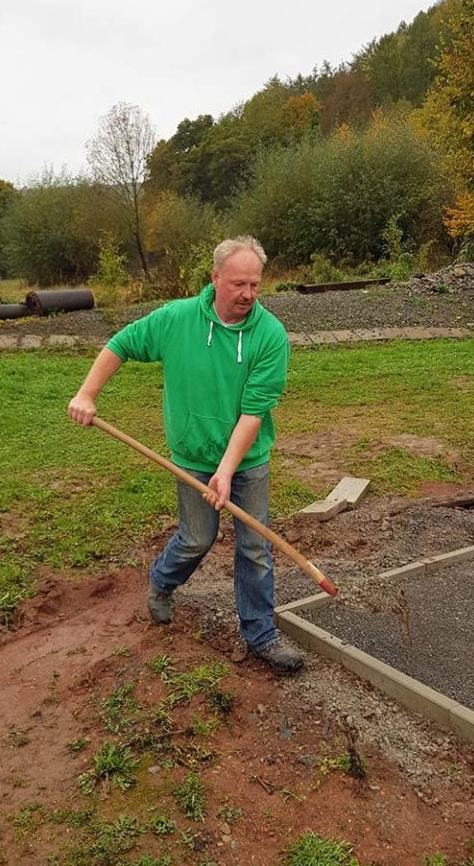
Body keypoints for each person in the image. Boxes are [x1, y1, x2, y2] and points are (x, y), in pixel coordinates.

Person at [67, 236, 303, 674]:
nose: (248, 294)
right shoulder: (176, 320)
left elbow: (253, 414)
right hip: (192, 455)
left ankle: (261, 635)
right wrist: (86, 393)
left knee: (254, 548)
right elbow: (120, 344)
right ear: (214, 279)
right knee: (197, 538)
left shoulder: (270, 336)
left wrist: (228, 471)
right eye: (238, 284)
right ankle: (161, 582)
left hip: (248, 461)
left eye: (255, 284)